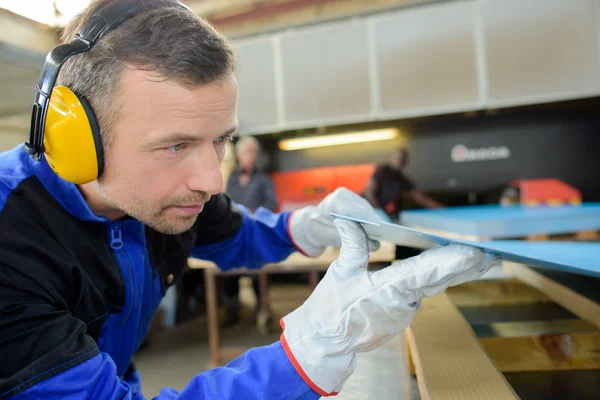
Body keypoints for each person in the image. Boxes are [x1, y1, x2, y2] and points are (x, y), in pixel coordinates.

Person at [0, 1, 500, 399]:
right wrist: (309, 354)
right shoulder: (10, 244)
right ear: (75, 141)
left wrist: (303, 228)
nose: (210, 180)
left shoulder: (161, 195)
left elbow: (235, 235)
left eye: (220, 140)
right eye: (175, 145)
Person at [223, 135, 277, 326]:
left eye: (253, 152)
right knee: (229, 272)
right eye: (247, 152)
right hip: (235, 232)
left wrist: (256, 212)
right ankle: (232, 310)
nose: (251, 156)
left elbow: (272, 203)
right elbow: (226, 200)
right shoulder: (231, 178)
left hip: (256, 233)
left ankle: (263, 310)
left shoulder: (263, 178)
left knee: (258, 274)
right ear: (238, 155)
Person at [364, 147, 444, 222]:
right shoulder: (383, 170)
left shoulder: (402, 179)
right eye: (399, 157)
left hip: (389, 215)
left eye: (403, 158)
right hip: (374, 213)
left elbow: (421, 199)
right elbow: (369, 191)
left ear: (406, 161)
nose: (400, 160)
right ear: (393, 157)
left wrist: (443, 210)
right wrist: (378, 212)